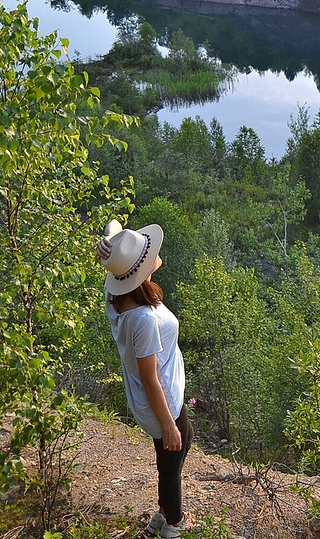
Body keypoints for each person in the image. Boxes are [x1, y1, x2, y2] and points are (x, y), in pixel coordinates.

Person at [98, 220, 193, 538]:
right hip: (161, 401)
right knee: (172, 459)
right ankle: (173, 524)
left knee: (173, 456)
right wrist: (168, 424)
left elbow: (114, 229)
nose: (154, 253)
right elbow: (150, 378)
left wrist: (107, 243)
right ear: (138, 270)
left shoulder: (117, 296)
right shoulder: (142, 320)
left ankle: (162, 515)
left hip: (159, 398)